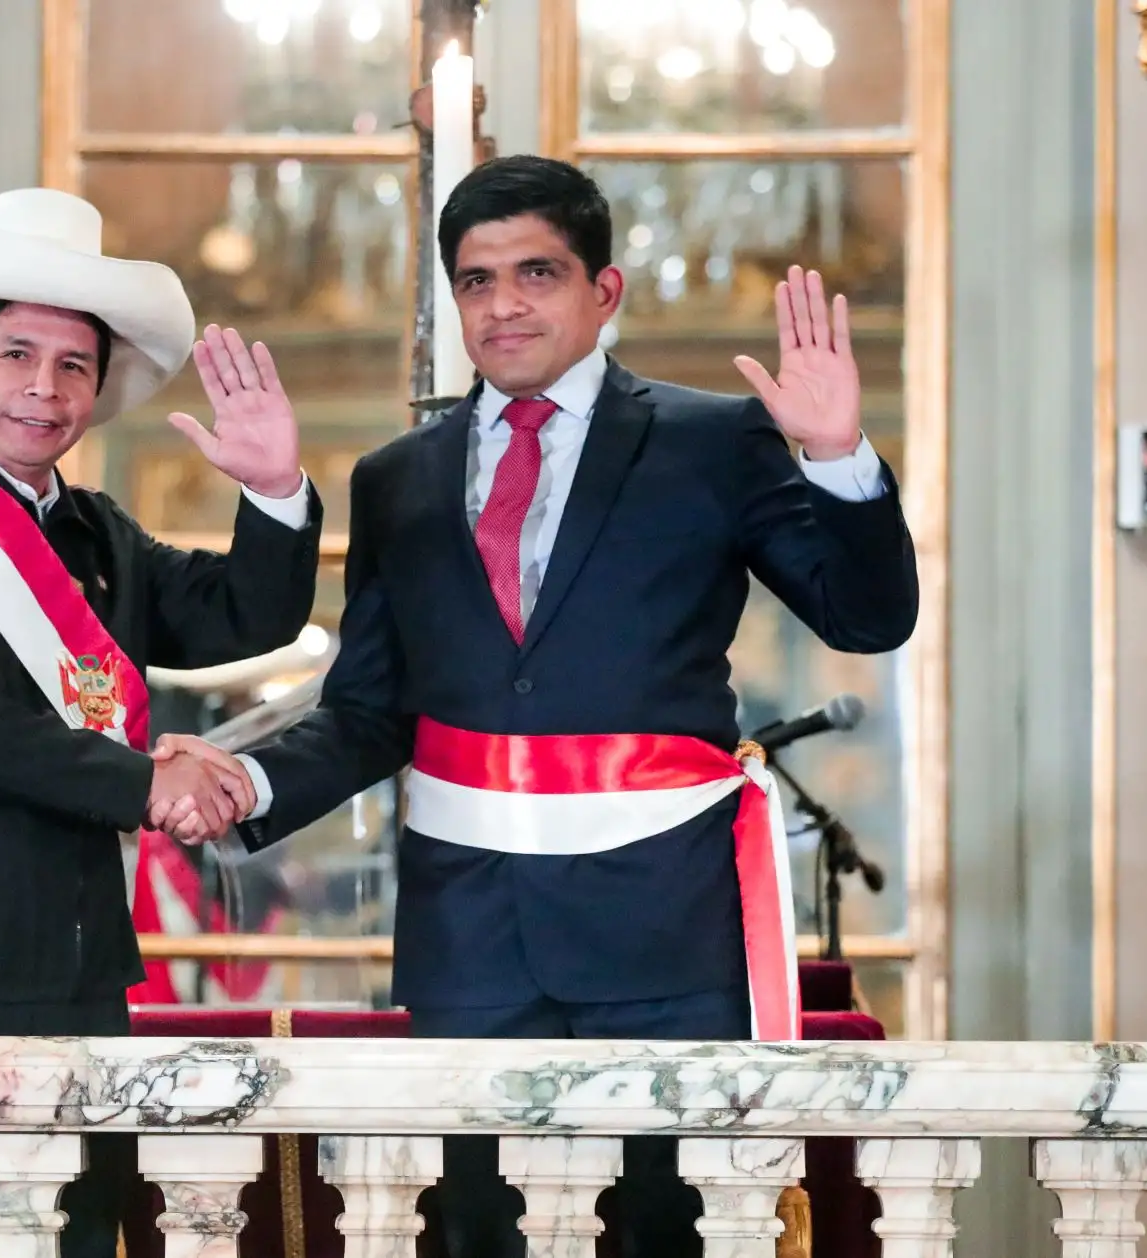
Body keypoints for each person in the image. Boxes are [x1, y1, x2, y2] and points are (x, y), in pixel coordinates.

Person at [154, 155, 920, 1258]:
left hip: (663, 930)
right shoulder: (396, 477)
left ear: (602, 292)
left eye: (536, 272)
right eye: (475, 280)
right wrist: (250, 782)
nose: (503, 303)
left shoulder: (716, 440)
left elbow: (867, 615)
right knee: (476, 1231)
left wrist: (838, 456)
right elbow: (369, 710)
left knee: (663, 1229)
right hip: (471, 942)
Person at [0, 187, 321, 1258]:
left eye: (73, 365)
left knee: (76, 1239)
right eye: (15, 355)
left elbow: (241, 614)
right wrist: (145, 781)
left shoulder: (95, 531)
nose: (44, 388)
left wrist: (273, 491)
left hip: (73, 968)